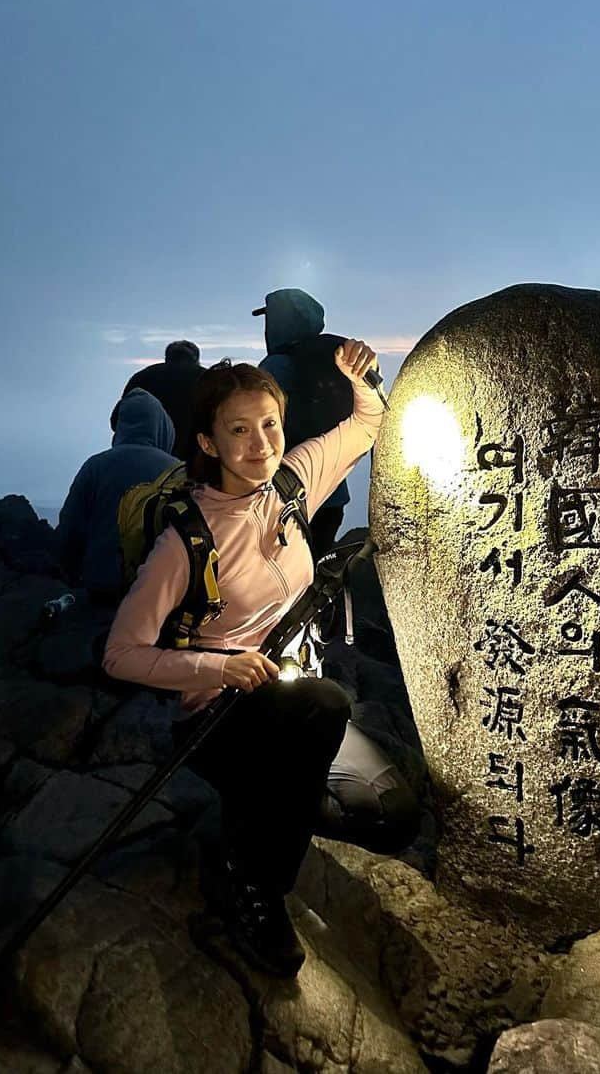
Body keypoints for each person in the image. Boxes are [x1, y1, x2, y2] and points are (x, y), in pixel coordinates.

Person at [103, 342, 419, 977]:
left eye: (270, 424)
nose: (260, 444)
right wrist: (220, 668)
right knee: (324, 706)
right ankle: (252, 883)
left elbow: (367, 425)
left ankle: (264, 810)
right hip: (218, 721)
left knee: (394, 817)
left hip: (291, 702)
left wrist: (362, 378)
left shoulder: (292, 485)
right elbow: (119, 654)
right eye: (238, 431)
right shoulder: (187, 539)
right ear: (209, 443)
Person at [255, 289, 356, 558]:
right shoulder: (332, 359)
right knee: (318, 566)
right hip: (334, 493)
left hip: (288, 493)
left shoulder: (274, 368)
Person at [57, 389, 179, 604]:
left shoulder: (96, 466)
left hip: (100, 592)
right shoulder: (178, 472)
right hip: (159, 596)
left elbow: (71, 528)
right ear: (162, 427)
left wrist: (69, 577)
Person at [110, 340, 204, 460]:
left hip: (145, 458)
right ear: (196, 358)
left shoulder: (143, 378)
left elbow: (116, 421)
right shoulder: (208, 379)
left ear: (167, 357)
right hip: (196, 459)